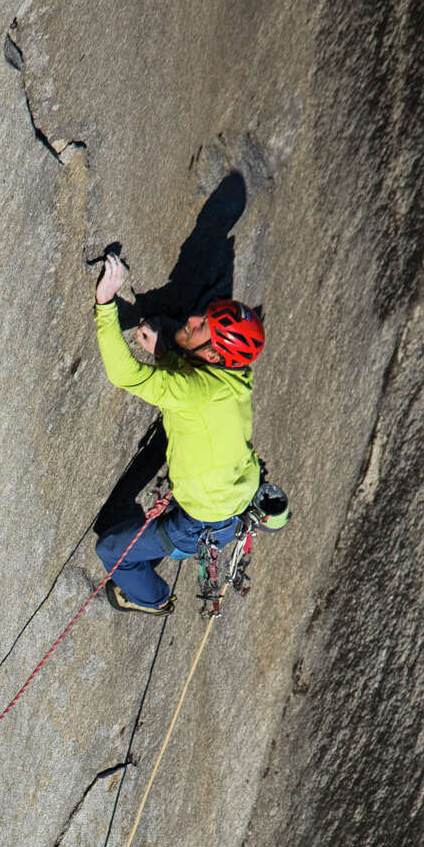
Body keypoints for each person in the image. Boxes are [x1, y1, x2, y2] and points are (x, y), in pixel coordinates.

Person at [92, 250, 266, 613]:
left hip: (199, 520)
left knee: (111, 550)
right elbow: (191, 382)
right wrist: (164, 352)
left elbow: (127, 376)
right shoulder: (236, 376)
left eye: (201, 326)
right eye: (203, 317)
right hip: (226, 502)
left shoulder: (200, 391)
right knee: (140, 535)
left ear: (215, 354)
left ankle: (152, 599)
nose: (190, 319)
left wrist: (105, 302)